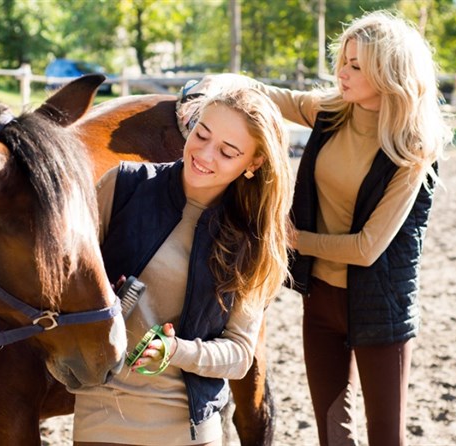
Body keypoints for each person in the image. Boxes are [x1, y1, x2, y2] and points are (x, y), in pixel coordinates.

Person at [197, 10, 453, 446]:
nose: (342, 71)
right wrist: (223, 82)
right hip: (320, 301)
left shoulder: (413, 148)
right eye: (343, 59)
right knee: (333, 435)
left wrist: (289, 239)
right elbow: (276, 98)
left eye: (355, 65)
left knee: (385, 439)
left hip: (380, 310)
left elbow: (368, 247)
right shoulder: (332, 111)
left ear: (387, 72)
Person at [71, 87, 294, 444]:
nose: (204, 154)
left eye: (227, 151)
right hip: (100, 418)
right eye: (201, 134)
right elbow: (66, 280)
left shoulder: (253, 241)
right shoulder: (122, 185)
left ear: (253, 163)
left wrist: (176, 351)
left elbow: (239, 356)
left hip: (188, 430)